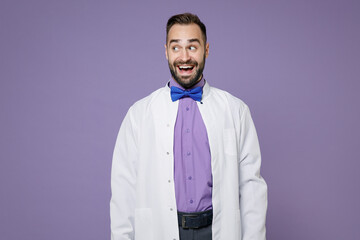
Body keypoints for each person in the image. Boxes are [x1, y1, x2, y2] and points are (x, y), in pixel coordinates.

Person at [110, 13, 267, 240]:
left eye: (192, 47)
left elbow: (252, 187)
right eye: (176, 48)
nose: (184, 57)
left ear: (206, 49)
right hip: (160, 230)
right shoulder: (139, 114)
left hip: (217, 230)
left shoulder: (236, 111)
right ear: (166, 51)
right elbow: (123, 189)